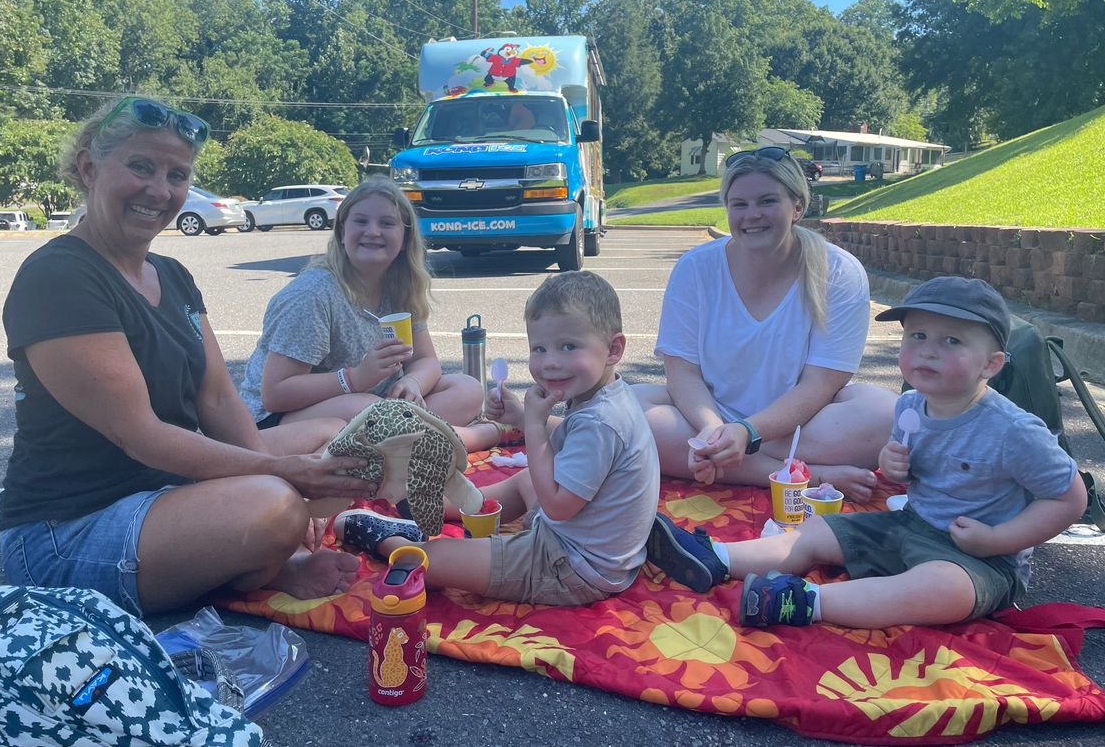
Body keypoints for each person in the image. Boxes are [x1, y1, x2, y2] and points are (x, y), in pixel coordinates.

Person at [0, 96, 376, 617]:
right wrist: (284, 477)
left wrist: (285, 468)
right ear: (88, 167)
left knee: (324, 435)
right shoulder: (59, 275)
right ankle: (251, 562)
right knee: (277, 504)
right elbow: (138, 434)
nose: (160, 191)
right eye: (140, 167)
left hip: (161, 494)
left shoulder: (172, 274)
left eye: (177, 174)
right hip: (68, 531)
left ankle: (245, 557)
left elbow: (219, 398)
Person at [645, 276, 1088, 629]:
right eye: (917, 335)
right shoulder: (913, 406)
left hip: (978, 559)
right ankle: (716, 556)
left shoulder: (1013, 430)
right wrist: (898, 466)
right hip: (911, 526)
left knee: (940, 588)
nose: (928, 350)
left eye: (952, 341)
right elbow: (919, 473)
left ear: (991, 364)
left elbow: (1070, 499)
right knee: (818, 533)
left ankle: (805, 602)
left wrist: (998, 540)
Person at [332, 271, 662, 605]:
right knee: (524, 480)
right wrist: (521, 416)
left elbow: (558, 506)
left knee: (434, 560)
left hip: (572, 568)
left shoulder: (601, 423)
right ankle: (442, 509)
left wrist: (532, 426)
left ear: (613, 349)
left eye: (568, 346)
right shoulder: (607, 396)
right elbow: (571, 438)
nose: (550, 363)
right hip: (586, 542)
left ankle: (393, 538)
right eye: (540, 348)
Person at [632, 146, 896, 502]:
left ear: (798, 206)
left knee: (886, 413)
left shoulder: (838, 271)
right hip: (705, 418)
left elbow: (821, 383)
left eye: (767, 201)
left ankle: (733, 464)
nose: (752, 215)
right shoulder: (695, 267)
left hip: (801, 428)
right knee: (622, 409)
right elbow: (682, 372)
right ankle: (807, 475)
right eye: (739, 205)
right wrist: (714, 431)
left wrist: (748, 432)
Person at [238, 176, 505, 451]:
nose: (373, 231)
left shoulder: (401, 286)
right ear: (342, 231)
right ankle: (474, 437)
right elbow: (275, 394)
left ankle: (408, 443)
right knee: (371, 411)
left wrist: (412, 382)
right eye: (361, 221)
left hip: (371, 402)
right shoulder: (312, 295)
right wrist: (354, 378)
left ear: (404, 238)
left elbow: (426, 361)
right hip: (275, 423)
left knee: (467, 389)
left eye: (387, 223)